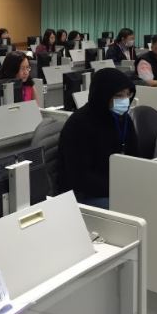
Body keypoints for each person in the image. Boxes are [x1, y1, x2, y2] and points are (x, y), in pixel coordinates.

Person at [58, 68, 138, 209]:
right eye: (119, 96)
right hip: (85, 194)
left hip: (116, 187)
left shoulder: (123, 119)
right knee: (134, 208)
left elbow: (135, 156)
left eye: (128, 94)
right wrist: (119, 189)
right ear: (103, 95)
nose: (125, 100)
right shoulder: (79, 124)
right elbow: (80, 177)